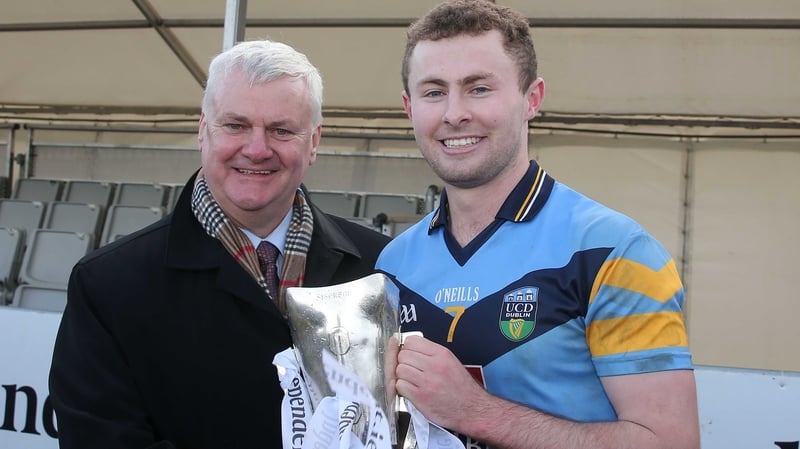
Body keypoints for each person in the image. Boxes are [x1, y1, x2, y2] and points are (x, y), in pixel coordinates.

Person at [376, 1, 701, 448]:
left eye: (479, 88)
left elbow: (672, 443)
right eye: (434, 92)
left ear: (533, 99)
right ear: (409, 108)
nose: (454, 113)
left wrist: (475, 412)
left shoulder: (613, 250)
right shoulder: (392, 264)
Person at [49, 39, 391, 449]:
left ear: (314, 141)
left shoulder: (378, 266)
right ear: (202, 130)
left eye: (281, 130)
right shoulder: (108, 285)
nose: (257, 149)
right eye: (236, 125)